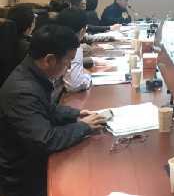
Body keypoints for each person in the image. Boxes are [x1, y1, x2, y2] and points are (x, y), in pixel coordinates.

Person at [0, 25, 106, 196]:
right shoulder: (22, 90)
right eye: (68, 60)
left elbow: (45, 107)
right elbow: (46, 140)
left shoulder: (30, 73)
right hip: (26, 179)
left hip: (33, 163)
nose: (69, 67)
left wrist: (76, 114)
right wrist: (84, 127)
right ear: (49, 59)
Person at [56, 8, 92, 93]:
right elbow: (74, 86)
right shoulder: (72, 47)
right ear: (82, 30)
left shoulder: (54, 38)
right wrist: (87, 76)